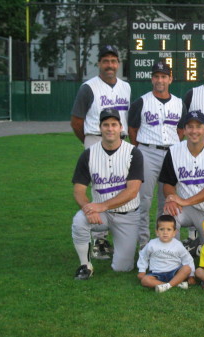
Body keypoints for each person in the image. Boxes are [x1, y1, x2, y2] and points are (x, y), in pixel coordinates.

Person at [70, 45, 131, 259]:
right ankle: (100, 239)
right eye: (105, 61)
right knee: (100, 185)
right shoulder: (88, 87)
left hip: (120, 141)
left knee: (120, 184)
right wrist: (89, 141)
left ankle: (119, 229)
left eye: (113, 61)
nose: (110, 65)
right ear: (99, 64)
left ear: (118, 64)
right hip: (96, 138)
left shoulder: (126, 87)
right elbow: (77, 121)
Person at [72, 108, 143, 280]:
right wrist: (88, 208)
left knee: (122, 267)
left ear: (120, 127)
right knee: (79, 220)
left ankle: (118, 250)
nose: (110, 129)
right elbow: (78, 190)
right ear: (100, 128)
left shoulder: (133, 152)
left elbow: (132, 191)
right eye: (106, 125)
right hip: (100, 214)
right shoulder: (88, 154)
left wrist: (101, 206)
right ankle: (85, 265)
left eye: (114, 124)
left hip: (127, 215)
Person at [128, 60, 186, 249]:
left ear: (170, 79)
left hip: (172, 154)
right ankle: (144, 244)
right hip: (147, 151)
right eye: (156, 76)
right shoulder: (141, 102)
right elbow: (132, 130)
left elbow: (181, 130)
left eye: (164, 76)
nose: (160, 80)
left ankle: (167, 243)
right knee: (144, 200)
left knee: (168, 201)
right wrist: (142, 149)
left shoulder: (179, 103)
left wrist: (172, 148)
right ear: (152, 79)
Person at [158, 110, 204, 242]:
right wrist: (172, 198)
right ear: (184, 130)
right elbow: (168, 183)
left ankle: (198, 243)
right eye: (190, 127)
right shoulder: (174, 151)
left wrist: (184, 201)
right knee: (168, 216)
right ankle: (171, 257)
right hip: (187, 210)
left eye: (198, 126)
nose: (194, 131)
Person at [137, 215, 195, 293]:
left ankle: (166, 286)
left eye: (169, 229)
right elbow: (143, 256)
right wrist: (142, 270)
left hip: (174, 272)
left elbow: (187, 259)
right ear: (157, 232)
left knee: (187, 268)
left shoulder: (178, 245)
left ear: (174, 232)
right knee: (145, 280)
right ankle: (174, 284)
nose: (165, 232)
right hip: (156, 274)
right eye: (161, 229)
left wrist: (191, 275)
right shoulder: (152, 244)